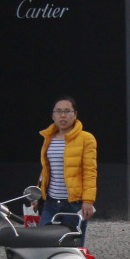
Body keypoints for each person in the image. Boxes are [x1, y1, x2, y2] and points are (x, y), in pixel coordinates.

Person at [37, 96, 97, 237]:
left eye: (67, 111)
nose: (62, 115)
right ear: (53, 115)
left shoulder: (86, 139)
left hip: (73, 204)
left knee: (72, 245)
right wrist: (38, 193)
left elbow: (90, 172)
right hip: (50, 203)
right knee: (42, 241)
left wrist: (88, 201)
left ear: (75, 114)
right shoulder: (48, 138)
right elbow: (46, 169)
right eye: (58, 111)